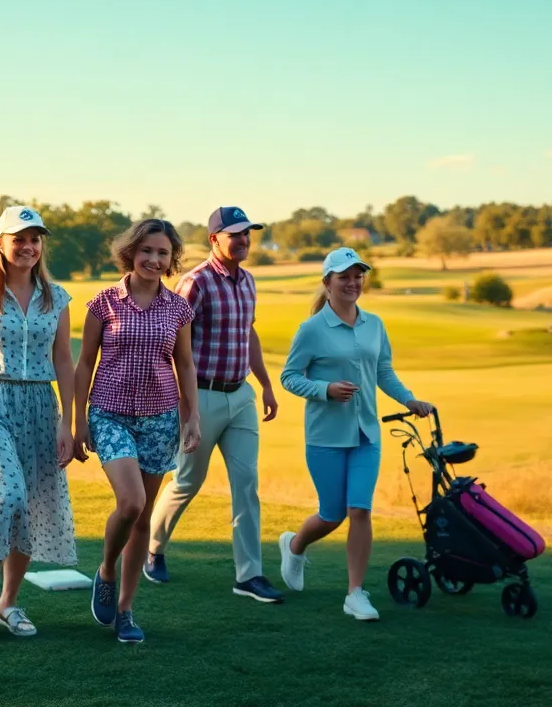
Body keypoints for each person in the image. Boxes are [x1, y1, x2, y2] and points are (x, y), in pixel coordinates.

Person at [277, 248, 434, 622]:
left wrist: (409, 399)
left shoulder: (374, 324)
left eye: (358, 276)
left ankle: (355, 594)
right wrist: (325, 389)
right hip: (325, 437)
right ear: (327, 282)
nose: (352, 282)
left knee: (360, 509)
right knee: (332, 515)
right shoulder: (311, 329)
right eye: (344, 276)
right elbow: (289, 377)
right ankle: (295, 545)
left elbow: (384, 372)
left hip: (367, 435)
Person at [147, 206, 283, 603]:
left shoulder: (249, 281)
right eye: (234, 234)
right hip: (201, 396)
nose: (243, 240)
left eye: (246, 234)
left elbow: (248, 335)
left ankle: (249, 575)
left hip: (241, 396)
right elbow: (173, 346)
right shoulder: (196, 283)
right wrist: (185, 407)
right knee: (188, 481)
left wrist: (266, 385)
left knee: (247, 484)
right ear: (214, 239)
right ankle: (152, 549)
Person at [74, 218, 201, 644]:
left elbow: (185, 365)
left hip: (160, 418)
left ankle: (126, 610)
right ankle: (106, 569)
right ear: (131, 252)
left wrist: (192, 417)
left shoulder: (178, 308)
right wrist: (77, 421)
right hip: (110, 414)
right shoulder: (104, 303)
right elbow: (84, 363)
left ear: (171, 259)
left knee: (143, 516)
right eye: (147, 250)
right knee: (131, 503)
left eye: (163, 253)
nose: (154, 259)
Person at [0, 205, 78, 639]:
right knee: (9, 496)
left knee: (32, 503)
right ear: (0, 245)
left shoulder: (56, 298)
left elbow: (63, 360)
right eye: (19, 239)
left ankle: (10, 602)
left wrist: (68, 423)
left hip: (41, 407)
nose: (28, 247)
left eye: (34, 239)